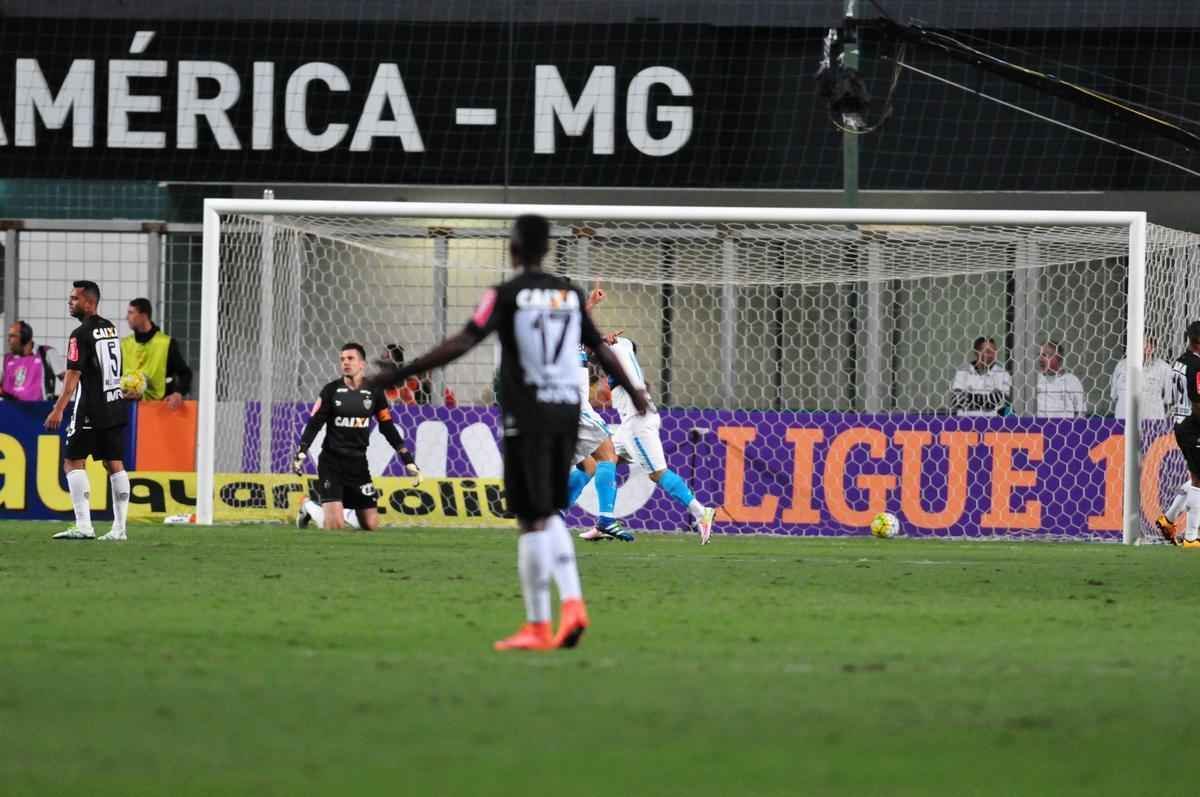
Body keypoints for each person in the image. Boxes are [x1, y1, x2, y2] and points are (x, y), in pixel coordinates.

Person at [368, 214, 648, 652]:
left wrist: (403, 372)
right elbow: (598, 348)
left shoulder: (507, 295)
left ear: (514, 250)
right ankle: (560, 611)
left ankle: (549, 617)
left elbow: (461, 342)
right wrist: (634, 390)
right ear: (546, 249)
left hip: (529, 414)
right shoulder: (568, 295)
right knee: (546, 510)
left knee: (530, 516)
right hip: (566, 410)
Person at [584, 331, 718, 544]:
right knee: (601, 462)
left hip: (638, 423)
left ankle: (701, 513)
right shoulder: (625, 350)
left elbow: (593, 346)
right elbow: (613, 345)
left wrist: (599, 339)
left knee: (657, 474)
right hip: (631, 423)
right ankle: (604, 522)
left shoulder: (618, 356)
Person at [291, 343, 419, 531]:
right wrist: (302, 450)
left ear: (362, 364)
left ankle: (345, 512)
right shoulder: (331, 390)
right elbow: (314, 423)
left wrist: (407, 458)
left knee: (371, 525)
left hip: (358, 464)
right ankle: (308, 506)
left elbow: (387, 426)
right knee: (334, 526)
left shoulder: (374, 392)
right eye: (342, 359)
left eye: (350, 359)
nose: (345, 363)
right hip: (332, 462)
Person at [43, 280, 131, 541]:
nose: (70, 302)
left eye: (74, 299)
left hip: (90, 407)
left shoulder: (79, 335)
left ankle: (84, 526)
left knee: (72, 462)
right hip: (114, 403)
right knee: (114, 463)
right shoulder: (110, 328)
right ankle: (119, 529)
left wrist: (58, 409)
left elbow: (72, 375)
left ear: (89, 303)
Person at [1156, 321, 1200, 547]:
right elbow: (1198, 402)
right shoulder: (1197, 366)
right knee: (1198, 480)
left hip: (1180, 421)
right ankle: (1192, 537)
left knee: (1196, 475)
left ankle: (1168, 519)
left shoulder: (1180, 361)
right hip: (1193, 425)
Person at [122, 298, 193, 409]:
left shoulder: (166, 343)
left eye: (131, 313)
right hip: (128, 409)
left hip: (159, 409)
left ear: (144, 316)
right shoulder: (124, 344)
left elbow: (185, 373)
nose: (127, 318)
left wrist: (178, 393)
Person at [1110, 336, 1173, 421]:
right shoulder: (1121, 366)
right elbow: (1114, 396)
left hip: (1152, 423)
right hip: (1123, 421)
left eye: (1146, 344)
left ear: (1153, 348)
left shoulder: (1164, 368)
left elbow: (1168, 400)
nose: (1142, 348)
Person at [2, 321, 64, 401]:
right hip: (11, 410)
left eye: (13, 336)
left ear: (25, 337)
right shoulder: (8, 358)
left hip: (40, 409)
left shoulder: (45, 353)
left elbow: (68, 381)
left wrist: (62, 402)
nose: (8, 340)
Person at [949, 336, 1011, 416]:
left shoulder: (1003, 374)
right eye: (987, 351)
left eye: (994, 351)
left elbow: (1000, 401)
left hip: (992, 423)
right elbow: (956, 400)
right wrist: (988, 399)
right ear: (976, 352)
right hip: (965, 422)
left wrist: (969, 397)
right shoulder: (963, 371)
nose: (992, 355)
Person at [1036, 341, 1086, 418]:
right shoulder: (1037, 379)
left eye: (1045, 355)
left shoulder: (1071, 381)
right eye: (1039, 355)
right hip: (1041, 428)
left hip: (1064, 428)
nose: (1040, 359)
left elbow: (1080, 412)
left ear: (1058, 358)